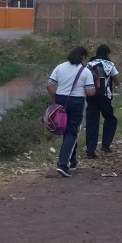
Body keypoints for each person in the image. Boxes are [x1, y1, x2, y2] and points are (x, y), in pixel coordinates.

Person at [47, 46, 95, 178]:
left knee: (66, 131)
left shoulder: (60, 67)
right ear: (83, 57)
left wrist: (56, 99)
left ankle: (73, 161)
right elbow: (90, 92)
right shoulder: (85, 72)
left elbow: (49, 85)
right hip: (77, 102)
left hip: (61, 99)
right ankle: (63, 164)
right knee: (72, 133)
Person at [84, 44, 121, 158]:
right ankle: (105, 145)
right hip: (104, 97)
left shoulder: (89, 64)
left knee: (92, 122)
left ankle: (90, 150)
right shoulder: (110, 64)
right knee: (110, 119)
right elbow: (117, 82)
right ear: (107, 54)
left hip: (91, 96)